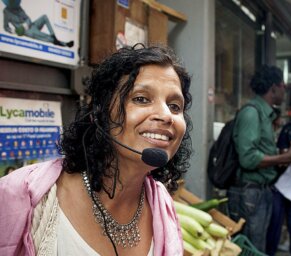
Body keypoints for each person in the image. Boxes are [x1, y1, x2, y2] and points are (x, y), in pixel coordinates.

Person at [0, 44, 192, 256]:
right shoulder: (18, 195)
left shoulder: (163, 205)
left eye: (175, 106)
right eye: (141, 99)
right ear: (99, 114)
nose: (166, 115)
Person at [227, 65, 291, 252]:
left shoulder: (266, 115)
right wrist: (286, 156)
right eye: (283, 85)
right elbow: (248, 158)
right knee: (252, 248)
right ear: (273, 88)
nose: (285, 90)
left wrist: (281, 157)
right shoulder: (252, 113)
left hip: (262, 192)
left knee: (261, 247)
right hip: (251, 194)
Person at [266, 108, 291, 256]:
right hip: (282, 184)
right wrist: (290, 157)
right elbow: (283, 157)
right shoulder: (290, 129)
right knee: (275, 223)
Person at [2, 0, 74, 47]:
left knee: (44, 17)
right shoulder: (6, 12)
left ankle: (53, 36)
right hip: (27, 32)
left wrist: (25, 25)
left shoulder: (19, 8)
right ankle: (63, 44)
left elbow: (28, 19)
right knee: (45, 36)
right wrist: (14, 31)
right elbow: (6, 27)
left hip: (30, 25)